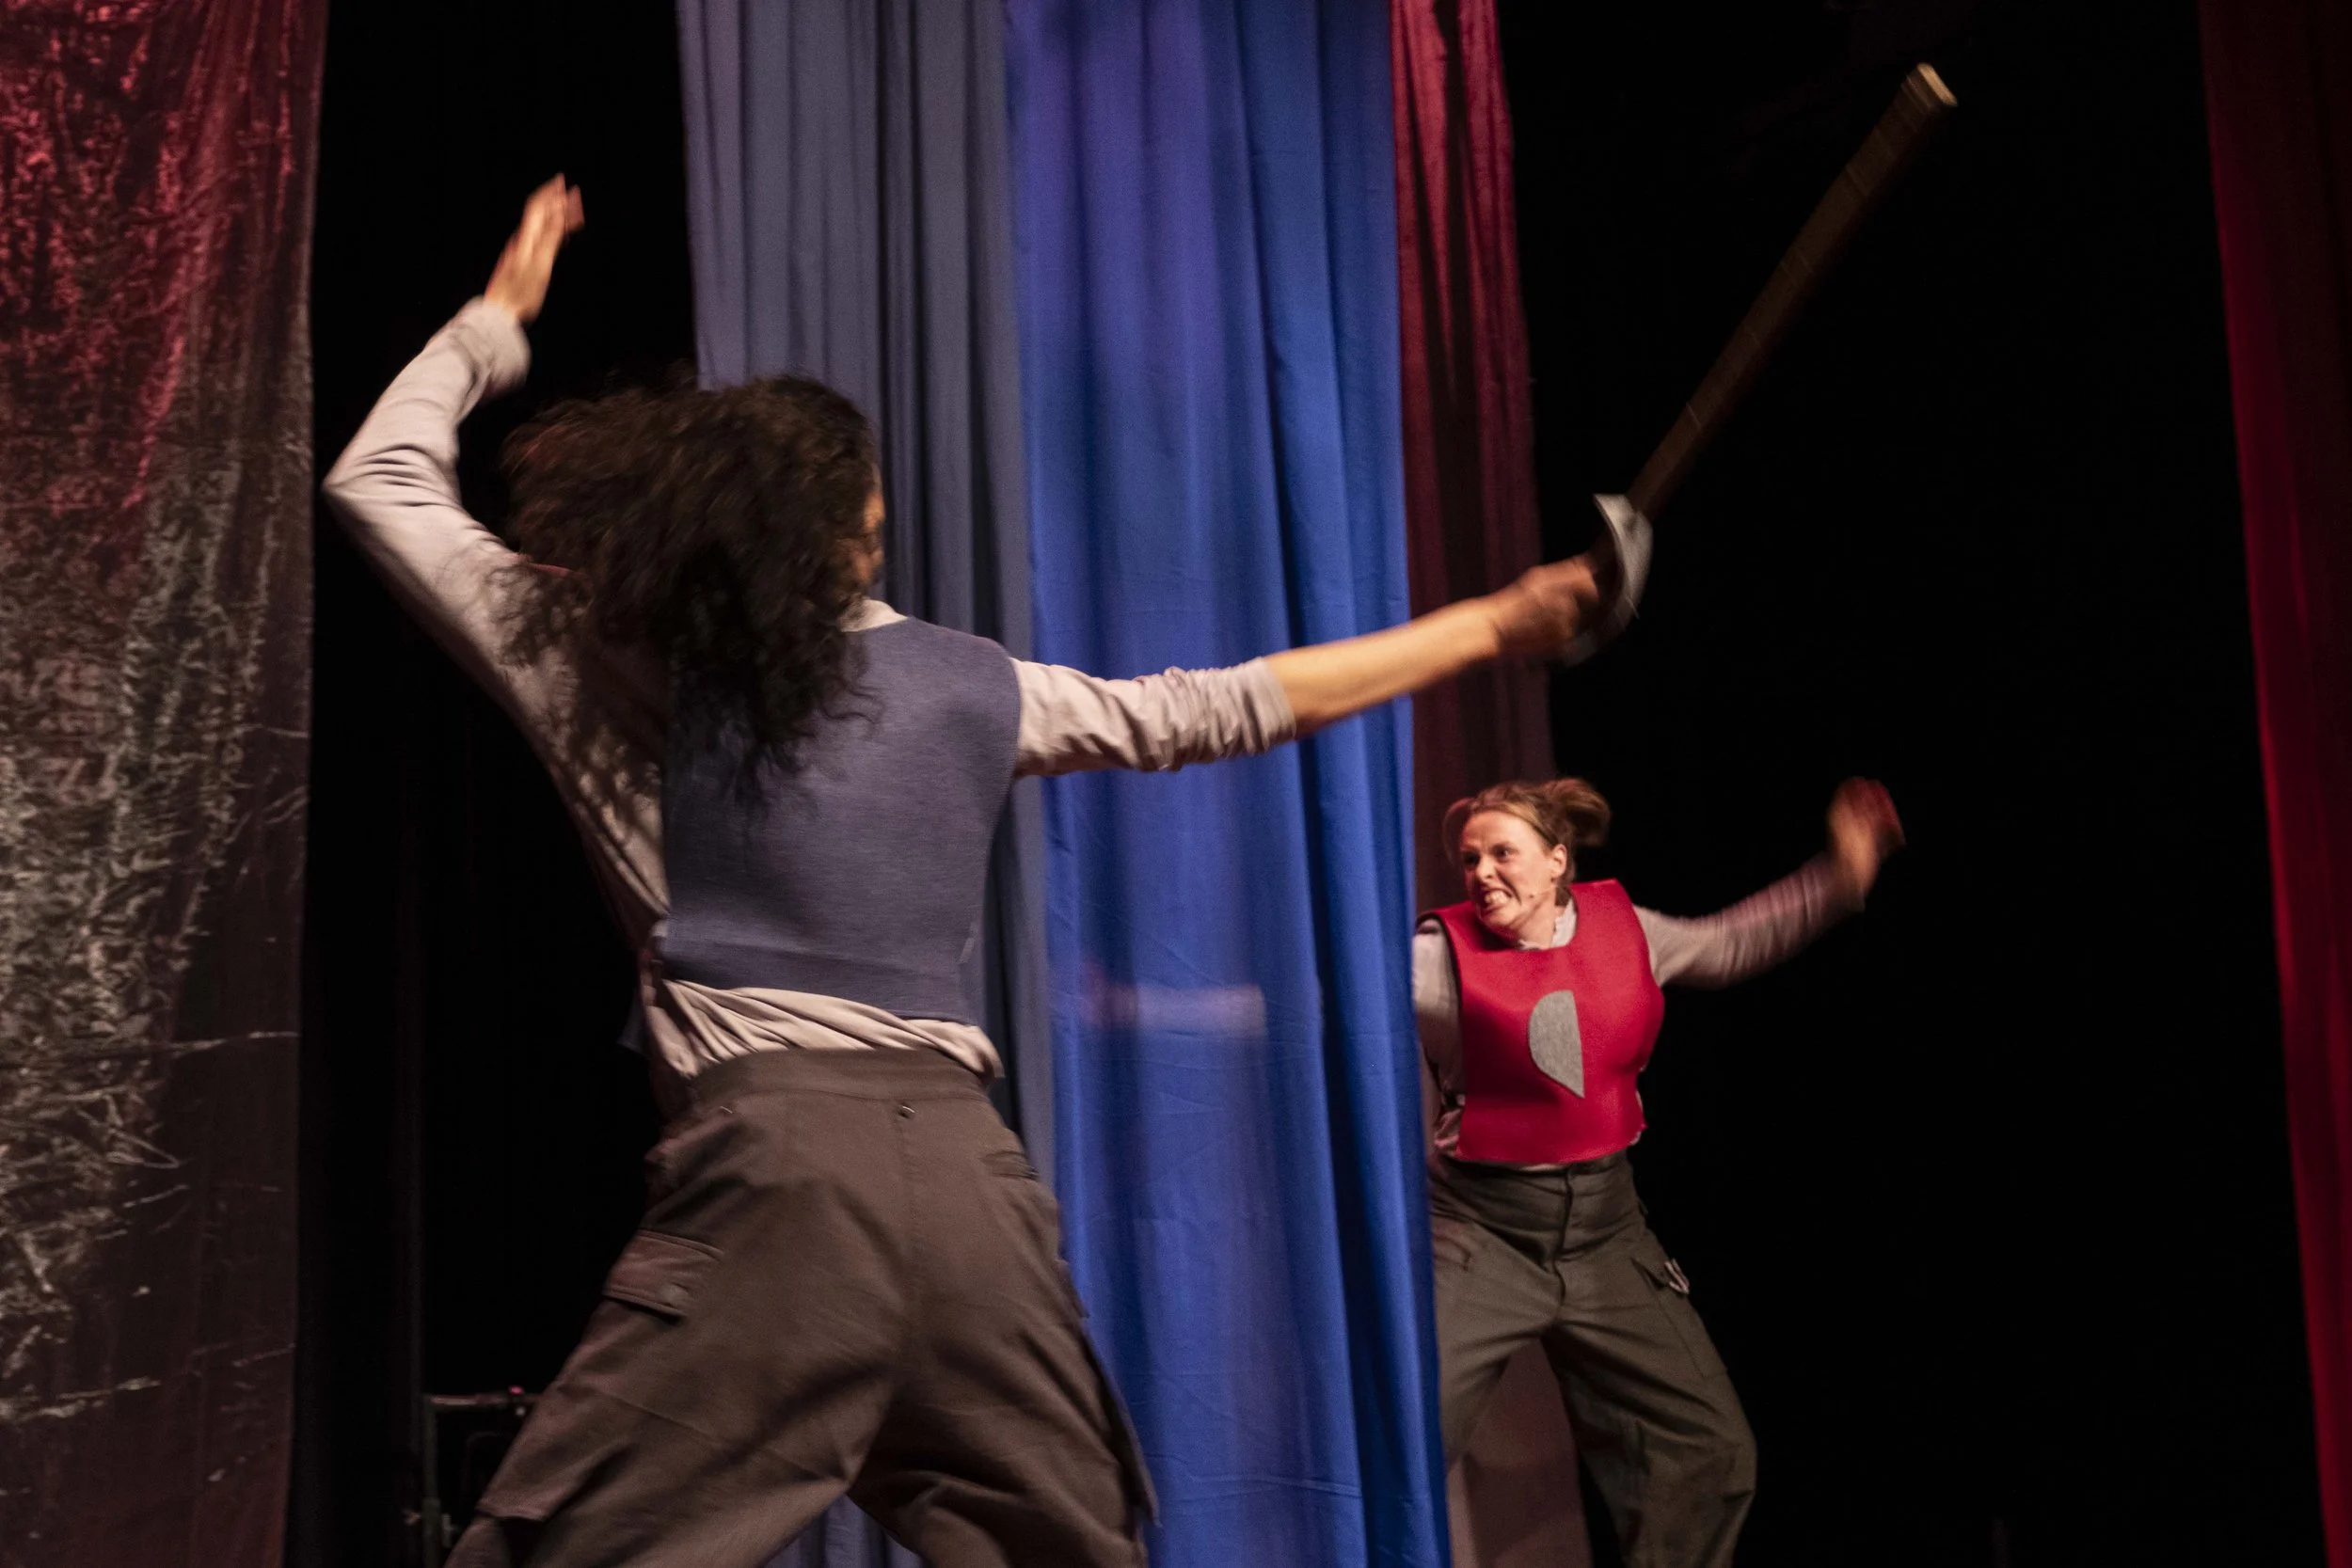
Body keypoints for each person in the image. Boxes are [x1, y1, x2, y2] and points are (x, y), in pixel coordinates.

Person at [324, 178, 1626, 1568]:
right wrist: (1498, 620)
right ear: (857, 536)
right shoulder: (976, 685)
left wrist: (498, 320)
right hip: (967, 1191)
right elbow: (1222, 706)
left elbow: (378, 480)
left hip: (778, 1188)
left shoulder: (591, 654)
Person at [1419, 772, 1903, 1568]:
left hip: (1606, 1234)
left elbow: (1729, 943)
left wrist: (1836, 880)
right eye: (1470, 859)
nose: (1481, 874)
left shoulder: (1626, 932)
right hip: (1483, 1233)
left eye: (1502, 853)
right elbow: (1324, 1003)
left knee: (1707, 1448)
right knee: (1401, 1440)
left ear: (1557, 859)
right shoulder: (1437, 961)